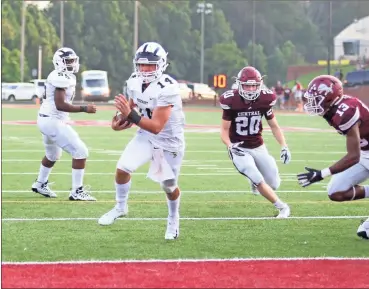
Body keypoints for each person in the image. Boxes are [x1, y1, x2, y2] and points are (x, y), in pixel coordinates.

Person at [98, 42, 185, 240]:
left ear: (161, 64)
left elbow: (156, 126)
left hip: (168, 140)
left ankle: (173, 218)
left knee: (169, 186)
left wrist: (131, 115)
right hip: (146, 136)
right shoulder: (134, 81)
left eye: (150, 65)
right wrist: (119, 120)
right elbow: (130, 109)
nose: (145, 69)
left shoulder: (168, 88)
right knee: (123, 168)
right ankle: (120, 207)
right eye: (142, 65)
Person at [296, 75, 369, 239]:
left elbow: (353, 157)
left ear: (330, 97)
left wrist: (321, 174)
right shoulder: (333, 108)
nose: (312, 102)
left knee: (365, 232)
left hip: (361, 153)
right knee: (335, 191)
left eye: (316, 99)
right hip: (366, 151)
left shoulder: (346, 112)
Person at [219, 66, 291, 218]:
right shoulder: (231, 100)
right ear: (239, 84)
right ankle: (282, 207)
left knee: (274, 184)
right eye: (247, 85)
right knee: (256, 176)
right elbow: (224, 131)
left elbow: (274, 126)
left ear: (260, 85)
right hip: (239, 147)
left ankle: (254, 181)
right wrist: (230, 146)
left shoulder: (266, 99)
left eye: (254, 85)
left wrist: (284, 146)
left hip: (258, 145)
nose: (251, 89)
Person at [31, 47, 97, 201]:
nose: (71, 63)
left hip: (46, 118)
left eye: (73, 60)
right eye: (68, 61)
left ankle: (40, 183)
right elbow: (60, 104)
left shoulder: (63, 76)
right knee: (81, 151)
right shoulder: (60, 77)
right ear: (59, 62)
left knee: (53, 155)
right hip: (52, 120)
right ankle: (77, 191)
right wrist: (84, 108)